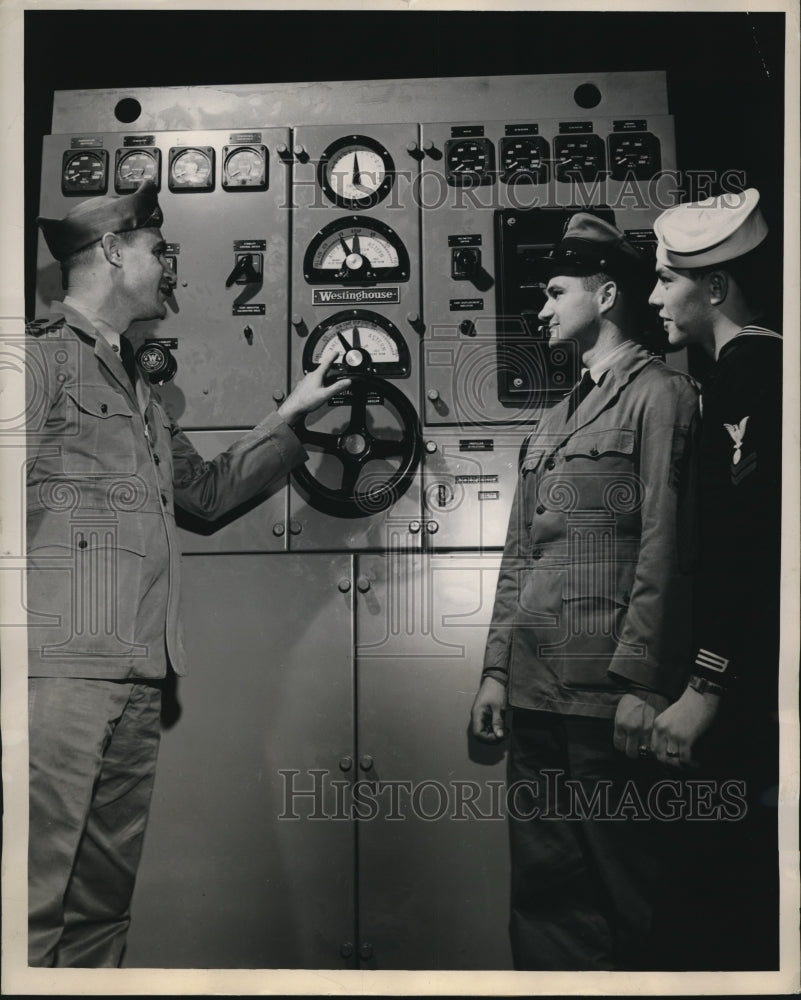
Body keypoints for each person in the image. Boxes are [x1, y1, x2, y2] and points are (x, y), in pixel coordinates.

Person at [26, 180, 348, 968]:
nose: (169, 265)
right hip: (55, 679)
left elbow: (202, 498)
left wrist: (287, 420)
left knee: (100, 910)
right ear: (112, 251)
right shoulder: (34, 361)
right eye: (157, 250)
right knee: (29, 910)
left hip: (137, 676)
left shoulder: (135, 386)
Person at [470, 213, 699, 970]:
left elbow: (666, 544)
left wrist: (641, 680)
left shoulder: (660, 396)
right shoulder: (553, 417)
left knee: (626, 892)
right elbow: (518, 557)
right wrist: (497, 671)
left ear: (605, 296)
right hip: (536, 693)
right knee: (543, 895)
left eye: (554, 292)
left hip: (604, 696)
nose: (540, 309)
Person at [645, 188, 782, 969]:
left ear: (715, 288)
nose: (656, 295)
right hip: (744, 690)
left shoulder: (752, 380)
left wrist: (706, 688)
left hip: (747, 697)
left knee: (723, 906)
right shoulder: (733, 377)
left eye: (669, 280)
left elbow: (746, 549)